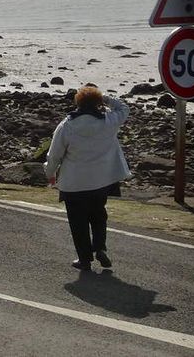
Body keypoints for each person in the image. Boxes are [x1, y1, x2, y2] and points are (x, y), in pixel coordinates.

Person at [44, 85, 131, 272]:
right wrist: (104, 97)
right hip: (101, 181)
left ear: (78, 102)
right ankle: (99, 247)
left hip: (74, 183)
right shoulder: (108, 121)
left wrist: (50, 174)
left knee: (78, 222)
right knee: (99, 215)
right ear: (98, 103)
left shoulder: (67, 125)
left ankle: (85, 260)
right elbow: (124, 108)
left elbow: (54, 155)